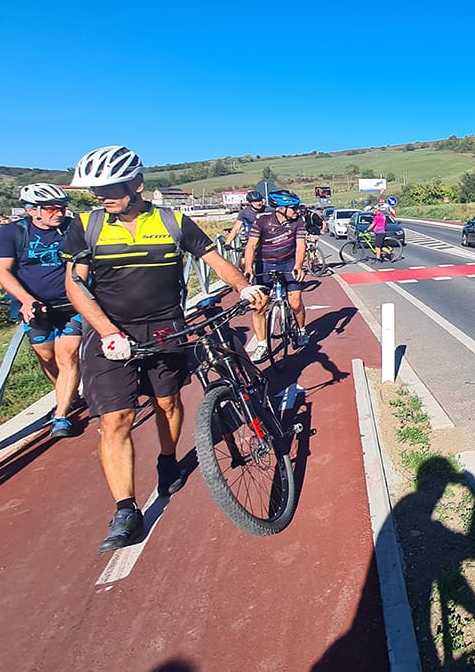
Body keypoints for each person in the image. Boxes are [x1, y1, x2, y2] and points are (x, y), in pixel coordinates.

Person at [63, 145, 266, 553]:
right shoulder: (86, 225)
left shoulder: (173, 222)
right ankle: (125, 509)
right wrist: (105, 331)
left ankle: (167, 459)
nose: (101, 196)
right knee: (116, 419)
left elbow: (214, 260)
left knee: (168, 404)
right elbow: (75, 284)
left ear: (137, 185)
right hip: (110, 333)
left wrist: (243, 287)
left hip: (166, 329)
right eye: (96, 190)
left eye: (110, 188)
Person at [0, 183, 83, 439]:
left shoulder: (72, 228)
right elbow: (1, 270)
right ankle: (69, 393)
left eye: (63, 208)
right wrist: (25, 299)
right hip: (36, 308)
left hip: (71, 305)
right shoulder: (12, 233)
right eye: (53, 209)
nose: (60, 213)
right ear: (33, 210)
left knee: (68, 357)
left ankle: (61, 416)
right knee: (46, 356)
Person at [244, 190, 309, 361]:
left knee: (295, 302)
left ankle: (301, 329)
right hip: (264, 262)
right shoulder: (263, 221)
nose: (297, 211)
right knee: (258, 305)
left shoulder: (298, 221)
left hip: (288, 262)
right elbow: (251, 246)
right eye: (293, 208)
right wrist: (249, 268)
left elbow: (301, 245)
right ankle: (262, 345)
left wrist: (298, 266)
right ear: (281, 209)